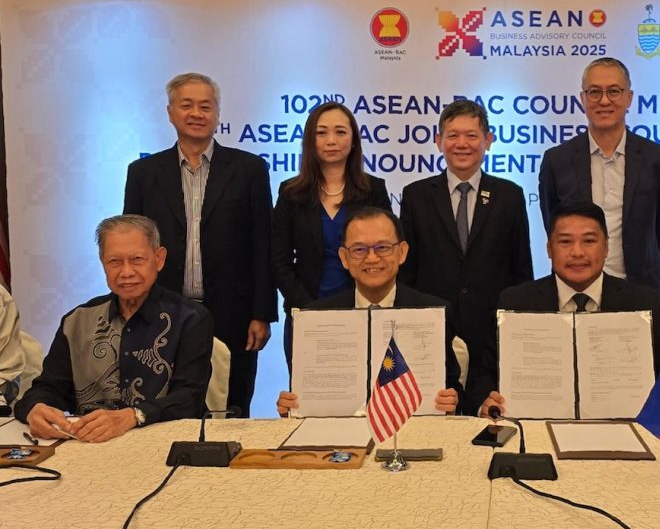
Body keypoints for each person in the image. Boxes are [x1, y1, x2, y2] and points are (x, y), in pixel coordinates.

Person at [123, 72, 277, 417]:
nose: (197, 113)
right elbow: (130, 244)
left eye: (205, 106)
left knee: (233, 407)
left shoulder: (250, 169)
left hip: (234, 313)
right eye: (187, 105)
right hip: (162, 313)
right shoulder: (143, 173)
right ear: (170, 112)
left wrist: (261, 313)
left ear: (218, 113)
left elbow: (262, 244)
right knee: (162, 407)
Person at [15, 215, 214, 442]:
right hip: (89, 447)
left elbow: (189, 398)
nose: (126, 272)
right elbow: (48, 388)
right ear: (102, 263)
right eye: (115, 262)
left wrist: (133, 416)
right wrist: (35, 408)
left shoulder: (190, 319)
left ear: (159, 259)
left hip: (165, 445)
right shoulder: (77, 321)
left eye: (137, 259)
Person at [399, 100, 533, 416]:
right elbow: (407, 271)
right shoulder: (416, 195)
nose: (462, 144)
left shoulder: (509, 195)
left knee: (488, 417)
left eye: (472, 136)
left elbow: (521, 270)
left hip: (490, 330)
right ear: (438, 141)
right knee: (437, 416)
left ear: (488, 140)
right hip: (433, 328)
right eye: (453, 135)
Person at [485, 201, 660, 418]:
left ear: (606, 247)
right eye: (565, 242)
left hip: (624, 429)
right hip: (535, 430)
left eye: (589, 241)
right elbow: (485, 375)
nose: (577, 252)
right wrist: (487, 401)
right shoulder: (514, 302)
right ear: (549, 248)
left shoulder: (644, 303)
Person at [277, 207, 461, 416]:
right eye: (359, 250)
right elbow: (305, 396)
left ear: (402, 252)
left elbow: (453, 386)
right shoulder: (314, 318)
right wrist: (291, 407)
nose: (372, 258)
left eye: (382, 247)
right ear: (344, 257)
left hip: (414, 436)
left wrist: (451, 399)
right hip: (340, 440)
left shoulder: (433, 313)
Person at [538, 57, 660, 294]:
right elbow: (554, 228)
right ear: (582, 99)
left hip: (640, 292)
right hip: (574, 292)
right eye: (594, 92)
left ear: (629, 98)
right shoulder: (556, 160)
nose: (604, 100)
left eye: (614, 91)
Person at [271, 102, 391, 372]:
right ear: (310, 140)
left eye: (340, 132)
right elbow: (278, 260)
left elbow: (388, 251)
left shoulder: (374, 190)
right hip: (306, 311)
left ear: (353, 140)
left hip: (364, 310)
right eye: (322, 133)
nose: (331, 141)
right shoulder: (291, 193)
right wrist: (307, 308)